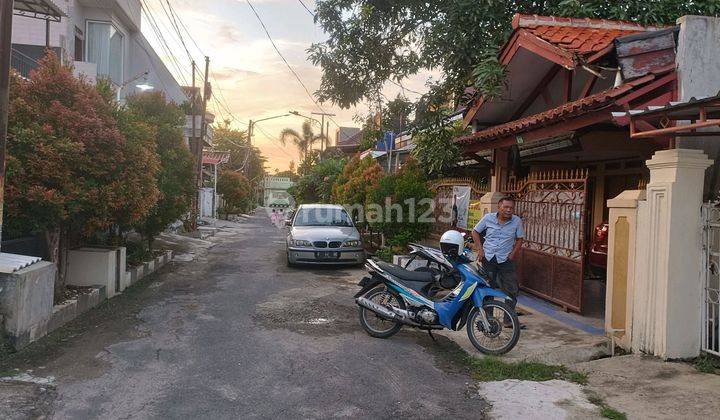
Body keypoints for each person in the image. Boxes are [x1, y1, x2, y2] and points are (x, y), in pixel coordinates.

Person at [471, 197, 524, 326]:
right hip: (488, 258)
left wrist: (512, 254)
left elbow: (520, 239)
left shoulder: (517, 221)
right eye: (506, 207)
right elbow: (475, 232)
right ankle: (488, 319)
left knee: (511, 289)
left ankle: (508, 320)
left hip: (505, 259)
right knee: (488, 288)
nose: (508, 210)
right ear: (499, 207)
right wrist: (480, 249)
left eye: (511, 208)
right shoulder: (488, 218)